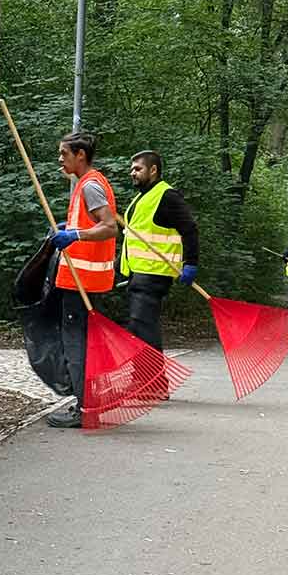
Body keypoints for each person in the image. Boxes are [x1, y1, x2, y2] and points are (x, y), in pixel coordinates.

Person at [46, 132, 118, 428]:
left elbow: (109, 227)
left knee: (77, 345)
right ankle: (92, 402)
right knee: (85, 343)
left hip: (83, 282)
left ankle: (85, 408)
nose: (60, 159)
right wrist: (71, 226)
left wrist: (74, 234)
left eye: (64, 153)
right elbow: (92, 222)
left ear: (80, 155)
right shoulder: (88, 183)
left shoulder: (90, 185)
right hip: (84, 280)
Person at [120, 150, 200, 354]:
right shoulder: (142, 198)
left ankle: (152, 373)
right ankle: (146, 372)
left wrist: (191, 263)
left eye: (137, 169)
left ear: (153, 170)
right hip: (138, 273)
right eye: (132, 169)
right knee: (139, 327)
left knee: (142, 327)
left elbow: (189, 229)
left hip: (154, 273)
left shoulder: (167, 196)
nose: (132, 173)